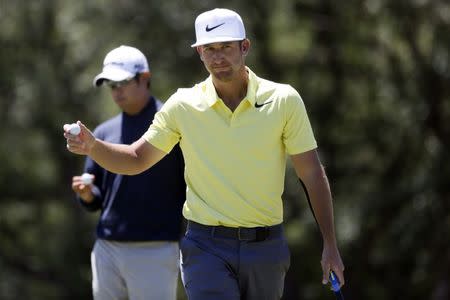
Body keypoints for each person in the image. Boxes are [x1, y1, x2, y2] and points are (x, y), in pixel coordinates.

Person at [65, 9, 345, 300]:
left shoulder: (284, 100)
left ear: (244, 47)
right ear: (199, 52)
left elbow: (311, 172)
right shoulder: (182, 105)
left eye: (226, 47)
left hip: (266, 245)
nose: (217, 56)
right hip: (205, 246)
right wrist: (94, 147)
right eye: (209, 49)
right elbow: (137, 159)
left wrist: (330, 244)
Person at [70, 45, 186, 300]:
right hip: (107, 247)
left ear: (144, 78)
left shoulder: (174, 124)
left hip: (156, 248)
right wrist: (87, 195)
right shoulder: (101, 133)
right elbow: (98, 198)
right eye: (111, 86)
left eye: (122, 82)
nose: (117, 91)